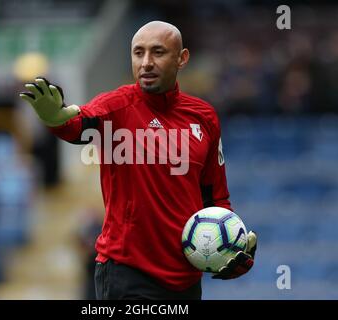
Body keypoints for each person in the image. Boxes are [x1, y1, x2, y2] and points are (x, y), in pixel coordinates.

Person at [19, 21, 257, 300]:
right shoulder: (116, 107)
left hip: (186, 278)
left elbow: (215, 198)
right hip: (127, 272)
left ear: (182, 58)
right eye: (138, 53)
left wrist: (233, 247)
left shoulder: (204, 117)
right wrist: (55, 118)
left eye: (158, 52)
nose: (146, 62)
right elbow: (78, 124)